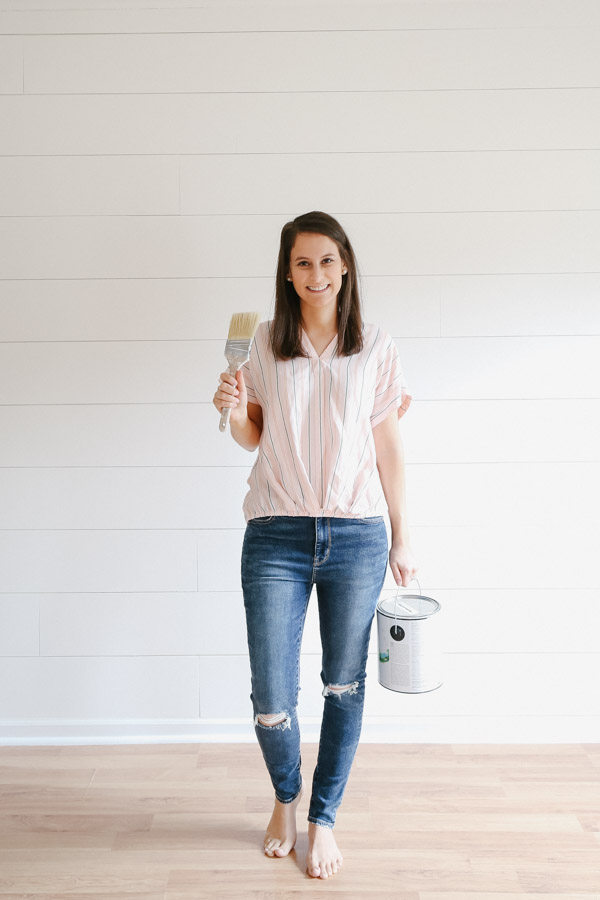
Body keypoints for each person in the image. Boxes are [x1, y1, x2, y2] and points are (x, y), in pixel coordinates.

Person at [212, 210, 418, 879]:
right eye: (302, 263)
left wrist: (402, 533)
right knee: (272, 696)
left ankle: (322, 817)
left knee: (343, 684)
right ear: (288, 271)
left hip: (358, 534)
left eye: (327, 260)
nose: (316, 274)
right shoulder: (265, 341)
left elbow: (388, 445)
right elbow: (253, 435)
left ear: (346, 264)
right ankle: (284, 798)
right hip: (275, 530)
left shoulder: (376, 347)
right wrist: (235, 404)